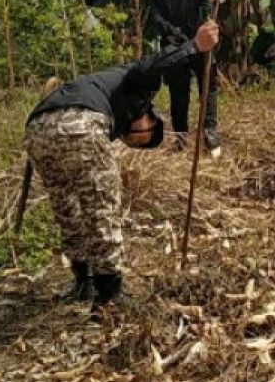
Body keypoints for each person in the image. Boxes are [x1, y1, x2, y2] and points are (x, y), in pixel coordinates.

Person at [23, 20, 219, 310]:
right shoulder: (138, 84)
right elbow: (153, 64)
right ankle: (109, 295)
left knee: (68, 206)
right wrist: (193, 46)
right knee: (101, 205)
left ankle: (83, 281)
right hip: (78, 122)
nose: (133, 138)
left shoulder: (100, 87)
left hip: (37, 127)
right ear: (147, 116)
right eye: (142, 135)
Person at [142, 0, 219, 151]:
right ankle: (210, 132)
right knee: (208, 87)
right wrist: (198, 34)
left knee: (178, 92)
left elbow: (155, 21)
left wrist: (176, 34)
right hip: (201, 42)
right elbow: (207, 11)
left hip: (174, 48)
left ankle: (181, 138)